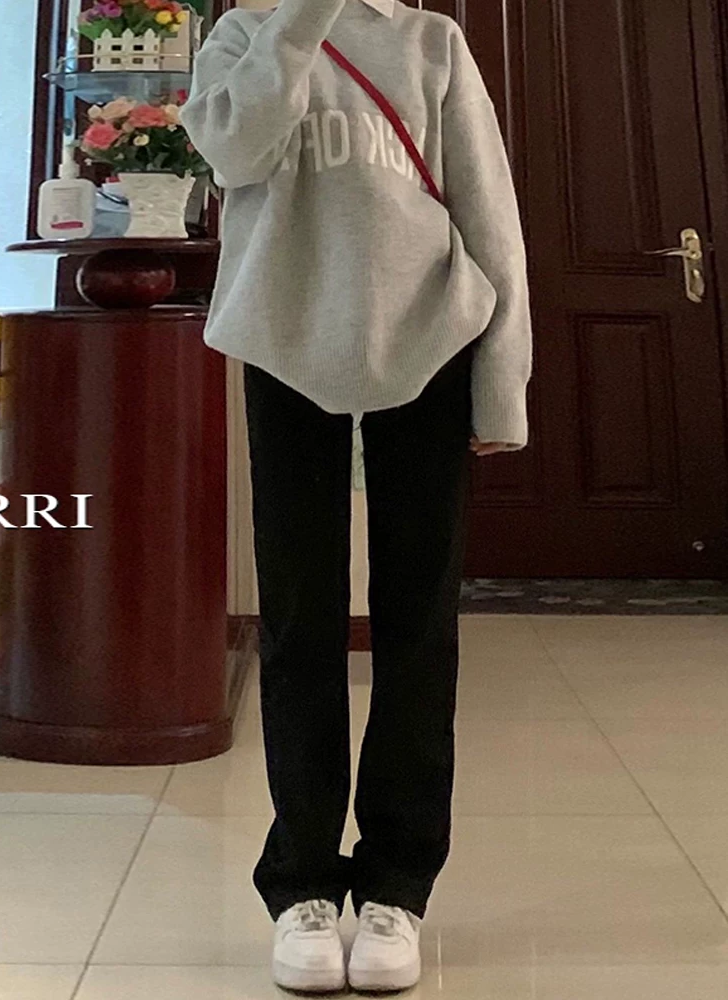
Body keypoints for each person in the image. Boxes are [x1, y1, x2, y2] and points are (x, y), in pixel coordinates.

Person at [181, 0, 532, 991]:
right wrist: (299, 19)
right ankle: (301, 884)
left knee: (420, 619)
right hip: (285, 339)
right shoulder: (242, 33)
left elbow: (488, 212)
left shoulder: (432, 42)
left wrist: (503, 379)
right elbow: (236, 155)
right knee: (300, 621)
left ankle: (396, 888)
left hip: (433, 337)